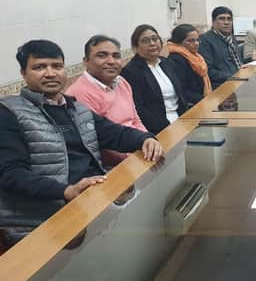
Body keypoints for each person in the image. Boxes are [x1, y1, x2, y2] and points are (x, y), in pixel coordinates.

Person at [0, 40, 162, 227]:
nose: (50, 73)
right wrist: (66, 191)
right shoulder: (9, 112)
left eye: (57, 66)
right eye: (39, 67)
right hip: (49, 215)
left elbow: (115, 134)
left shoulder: (75, 108)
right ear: (23, 73)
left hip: (93, 198)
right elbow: (11, 174)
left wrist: (145, 139)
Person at [66, 35, 147, 166]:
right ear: (86, 61)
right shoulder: (78, 93)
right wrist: (134, 157)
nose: (111, 61)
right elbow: (98, 142)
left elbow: (135, 119)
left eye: (116, 56)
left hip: (137, 149)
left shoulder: (121, 82)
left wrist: (147, 141)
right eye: (102, 56)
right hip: (115, 165)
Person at [121, 24, 186, 135]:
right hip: (157, 127)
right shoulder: (131, 71)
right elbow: (138, 108)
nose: (152, 43)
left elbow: (181, 95)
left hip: (181, 118)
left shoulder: (167, 63)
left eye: (155, 39)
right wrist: (167, 126)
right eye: (145, 41)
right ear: (136, 47)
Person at [166, 23, 212, 108]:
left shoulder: (196, 56)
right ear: (179, 42)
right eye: (190, 41)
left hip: (201, 100)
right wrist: (204, 100)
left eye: (197, 40)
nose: (196, 43)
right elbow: (181, 90)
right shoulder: (176, 60)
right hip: (191, 105)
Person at [199, 6, 242, 89]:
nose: (226, 22)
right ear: (213, 22)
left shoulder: (231, 38)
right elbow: (208, 71)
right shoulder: (205, 40)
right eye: (222, 19)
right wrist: (232, 77)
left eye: (229, 19)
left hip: (237, 81)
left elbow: (237, 62)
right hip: (219, 85)